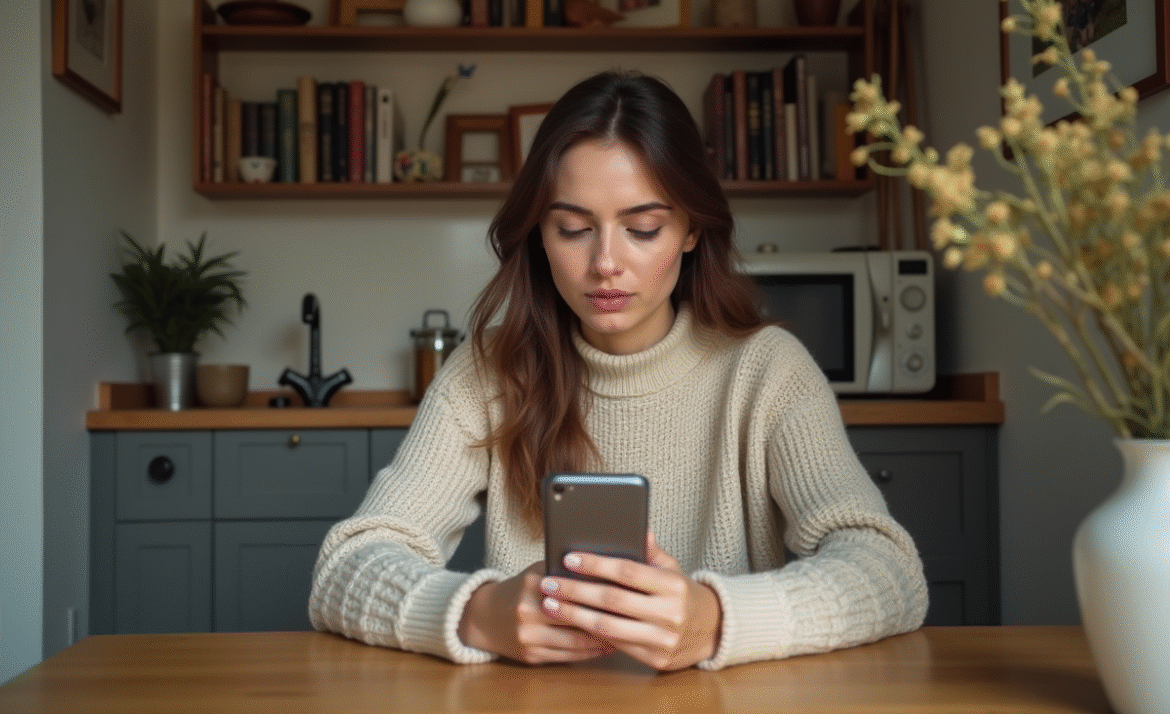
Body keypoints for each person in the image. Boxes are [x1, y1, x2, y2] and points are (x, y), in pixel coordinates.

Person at [309, 70, 928, 671]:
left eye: (643, 228)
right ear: (540, 235)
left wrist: (714, 621)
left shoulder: (768, 371)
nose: (605, 262)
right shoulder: (488, 372)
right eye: (573, 229)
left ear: (691, 230)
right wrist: (478, 613)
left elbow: (888, 571)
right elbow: (344, 569)